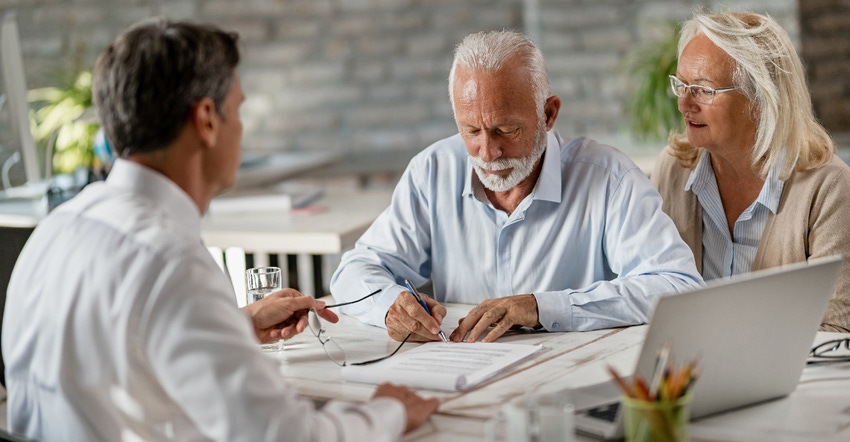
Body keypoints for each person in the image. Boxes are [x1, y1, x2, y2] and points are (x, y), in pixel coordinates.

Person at [1, 18, 438, 441]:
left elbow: (120, 358)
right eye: (238, 110)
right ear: (207, 120)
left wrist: (235, 326)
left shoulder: (54, 230)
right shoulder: (171, 263)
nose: (242, 129)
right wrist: (390, 411)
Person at [330, 30, 703, 344]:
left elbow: (676, 285)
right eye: (471, 131)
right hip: (460, 383)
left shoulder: (609, 178)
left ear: (549, 114)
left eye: (506, 130)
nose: (488, 152)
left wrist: (542, 307)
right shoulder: (432, 171)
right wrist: (392, 306)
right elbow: (354, 270)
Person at [651, 11, 850, 332]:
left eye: (703, 89)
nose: (684, 104)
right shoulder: (673, 168)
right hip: (689, 370)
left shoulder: (828, 186)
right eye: (681, 84)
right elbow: (650, 289)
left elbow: (838, 330)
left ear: (760, 99)